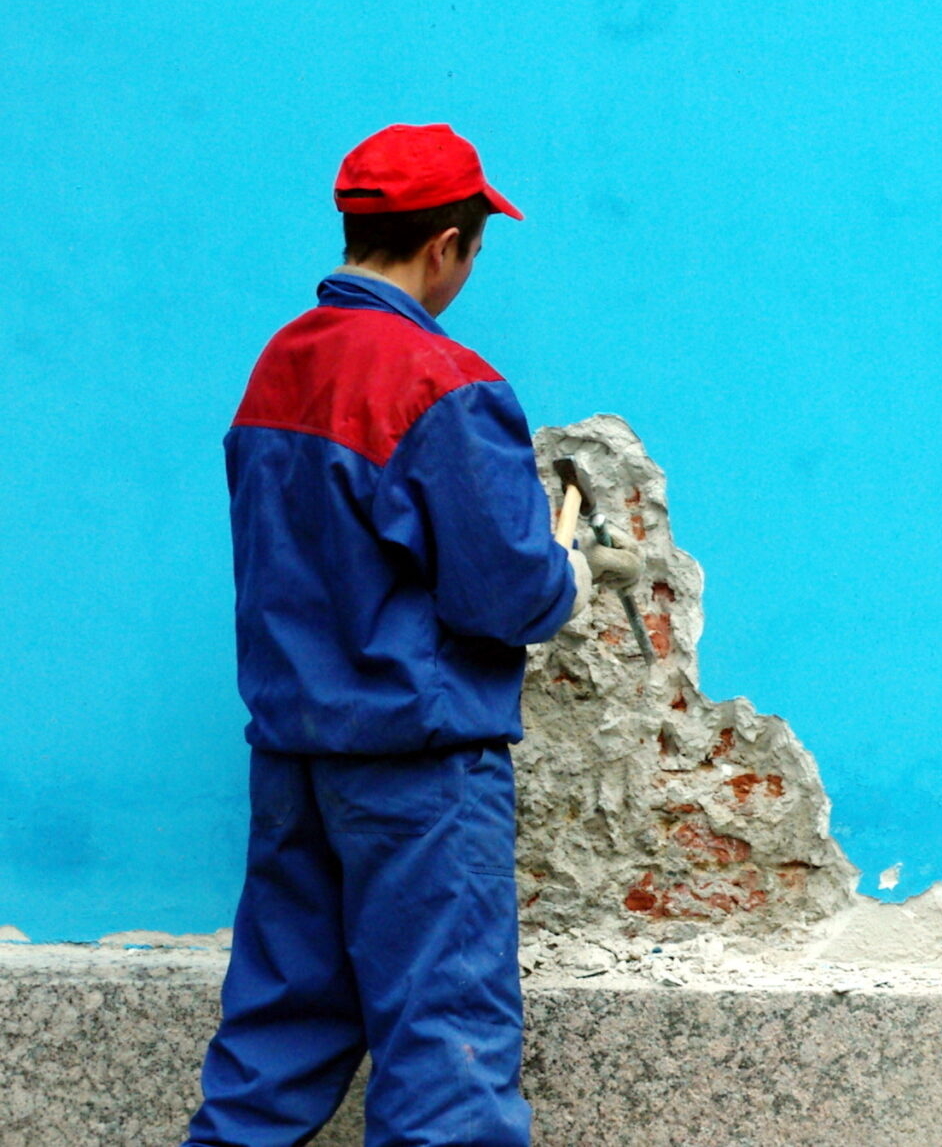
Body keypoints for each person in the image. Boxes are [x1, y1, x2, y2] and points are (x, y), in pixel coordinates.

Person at [184, 123, 589, 1147]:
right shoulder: (444, 383)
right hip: (418, 767)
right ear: (447, 244)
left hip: (294, 758)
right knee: (445, 1055)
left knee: (274, 1039)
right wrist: (567, 567)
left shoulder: (279, 365)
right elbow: (506, 597)